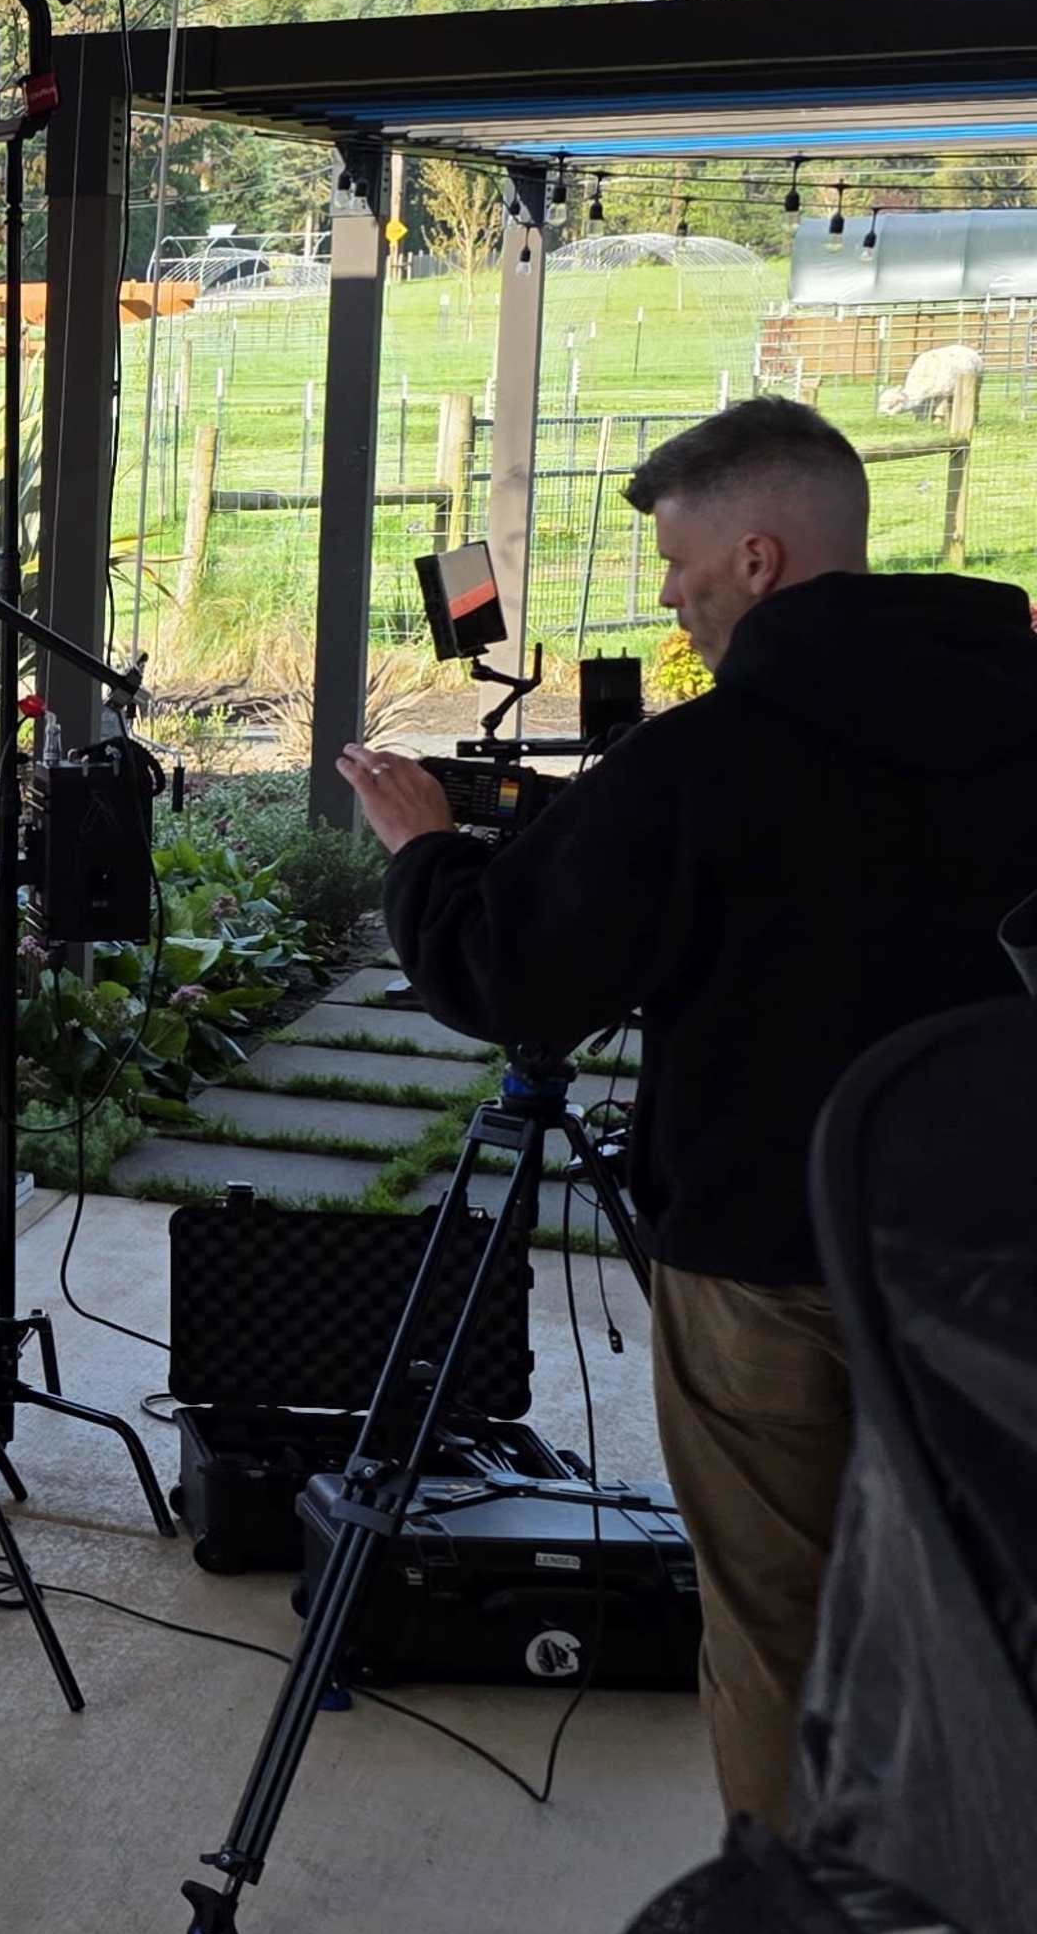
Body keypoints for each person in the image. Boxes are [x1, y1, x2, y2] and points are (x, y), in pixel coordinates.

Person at [336, 397, 1037, 1831]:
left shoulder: (708, 759)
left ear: (762, 558)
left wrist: (425, 856)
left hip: (763, 1263)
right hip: (1004, 1261)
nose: (671, 594)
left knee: (778, 1617)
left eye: (679, 562)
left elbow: (512, 974)